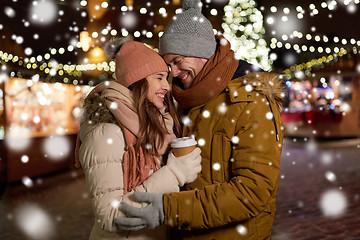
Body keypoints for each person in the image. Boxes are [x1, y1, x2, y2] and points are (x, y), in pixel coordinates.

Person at [114, 0, 284, 239]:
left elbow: (253, 192)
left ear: (200, 52)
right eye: (167, 63)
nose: (173, 72)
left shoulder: (251, 101)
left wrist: (170, 209)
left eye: (177, 61)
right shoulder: (185, 99)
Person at [75, 38, 202, 240]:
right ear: (138, 81)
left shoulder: (156, 126)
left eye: (165, 78)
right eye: (159, 78)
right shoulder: (107, 132)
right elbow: (110, 216)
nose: (166, 87)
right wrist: (175, 174)